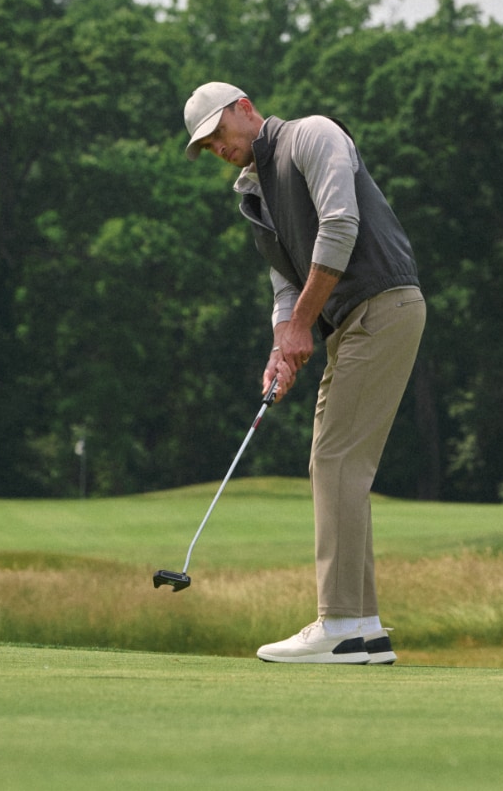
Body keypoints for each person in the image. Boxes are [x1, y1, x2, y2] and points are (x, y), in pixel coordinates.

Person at [184, 82, 425, 665]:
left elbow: (339, 228)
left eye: (220, 131)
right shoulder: (254, 194)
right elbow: (286, 286)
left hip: (383, 305)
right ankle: (363, 628)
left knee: (337, 460)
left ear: (245, 107)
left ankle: (339, 623)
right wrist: (280, 344)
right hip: (351, 323)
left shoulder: (312, 135)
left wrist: (301, 328)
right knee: (336, 461)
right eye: (206, 143)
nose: (217, 146)